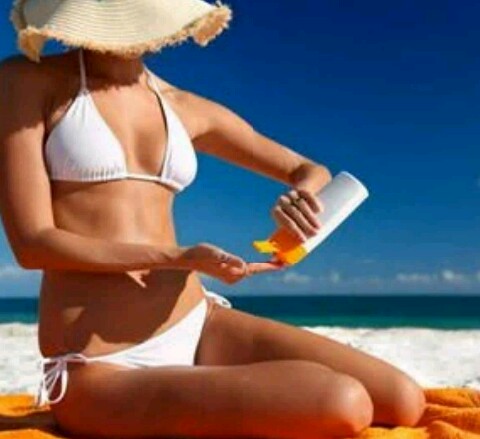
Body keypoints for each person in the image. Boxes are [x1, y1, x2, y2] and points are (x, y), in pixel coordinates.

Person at [0, 1, 426, 438]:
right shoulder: (27, 81)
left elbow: (309, 170)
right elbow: (33, 243)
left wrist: (302, 199)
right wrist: (178, 257)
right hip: (100, 364)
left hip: (197, 323)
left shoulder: (183, 106)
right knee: (345, 402)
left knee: (404, 399)